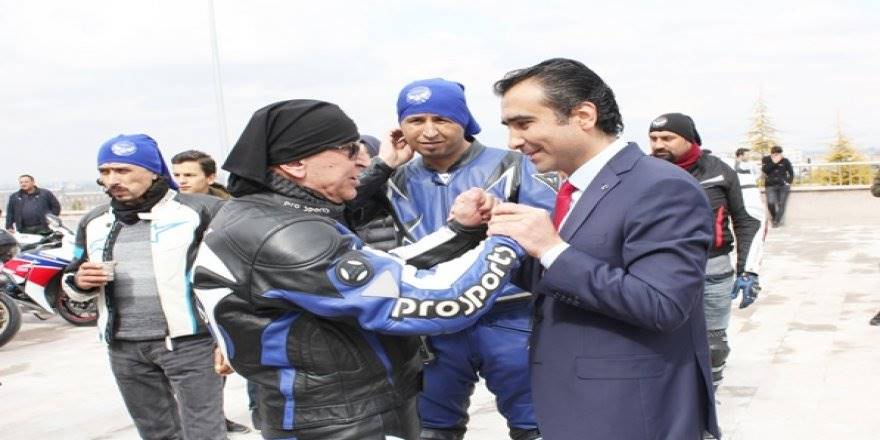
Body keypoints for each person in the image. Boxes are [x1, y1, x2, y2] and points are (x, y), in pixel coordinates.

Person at [190, 99, 528, 440]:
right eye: (350, 150)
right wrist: (509, 239)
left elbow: (385, 272)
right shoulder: (284, 233)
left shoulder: (273, 216)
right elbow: (445, 301)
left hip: (341, 412)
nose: (363, 160)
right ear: (294, 163)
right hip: (341, 423)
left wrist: (459, 231)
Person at [486, 58, 720, 439]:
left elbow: (662, 303)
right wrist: (495, 232)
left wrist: (551, 249)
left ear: (583, 115)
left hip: (630, 415)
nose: (513, 141)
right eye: (508, 127)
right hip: (576, 405)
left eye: (524, 124)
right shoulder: (576, 187)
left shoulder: (661, 187)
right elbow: (560, 282)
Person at [360, 78, 553, 440]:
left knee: (538, 426)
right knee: (430, 429)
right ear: (400, 126)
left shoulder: (516, 164)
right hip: (429, 321)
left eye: (442, 119)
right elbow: (338, 214)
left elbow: (548, 232)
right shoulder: (391, 178)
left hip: (509, 315)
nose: (429, 131)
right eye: (416, 121)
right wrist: (382, 165)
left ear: (463, 120)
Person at [61, 134, 226, 439]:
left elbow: (234, 276)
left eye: (123, 170)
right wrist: (80, 283)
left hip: (191, 344)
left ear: (153, 172)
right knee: (155, 433)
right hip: (124, 348)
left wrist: (228, 338)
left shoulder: (203, 211)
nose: (113, 179)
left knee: (204, 433)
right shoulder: (93, 221)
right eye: (105, 171)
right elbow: (71, 278)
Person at [649, 113, 765, 391]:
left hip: (713, 270)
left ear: (689, 139)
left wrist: (749, 271)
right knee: (662, 343)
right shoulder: (645, 172)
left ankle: (708, 402)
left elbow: (749, 220)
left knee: (714, 345)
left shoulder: (722, 171)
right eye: (653, 138)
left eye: (667, 138)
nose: (658, 145)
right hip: (661, 272)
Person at [171, 149, 253, 434]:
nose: (182, 181)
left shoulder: (229, 209)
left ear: (210, 177)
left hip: (220, 299)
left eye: (189, 175)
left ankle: (217, 416)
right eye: (177, 175)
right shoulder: (169, 212)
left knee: (222, 363)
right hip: (184, 305)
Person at [762, 145, 794, 227]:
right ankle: (774, 218)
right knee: (770, 203)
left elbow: (791, 172)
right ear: (772, 154)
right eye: (775, 154)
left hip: (783, 185)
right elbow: (765, 170)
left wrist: (788, 182)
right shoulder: (766, 159)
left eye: (779, 154)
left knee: (781, 204)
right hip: (770, 185)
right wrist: (774, 162)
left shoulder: (785, 160)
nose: (777, 156)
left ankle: (776, 221)